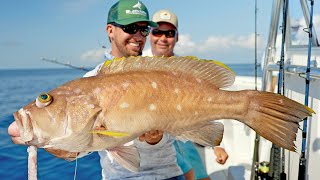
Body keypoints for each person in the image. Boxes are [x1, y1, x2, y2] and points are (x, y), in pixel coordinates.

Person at [8, 1, 187, 180]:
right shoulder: (89, 81)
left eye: (144, 30)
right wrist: (44, 137)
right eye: (131, 28)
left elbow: (180, 127)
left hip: (169, 173)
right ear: (110, 30)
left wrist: (155, 139)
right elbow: (76, 150)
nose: (138, 36)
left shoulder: (161, 75)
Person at [143, 9, 229, 180]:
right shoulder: (137, 65)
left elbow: (208, 103)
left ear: (177, 37)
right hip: (148, 140)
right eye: (157, 32)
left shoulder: (187, 68)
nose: (163, 38)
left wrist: (217, 145)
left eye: (169, 33)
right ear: (149, 34)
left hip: (181, 135)